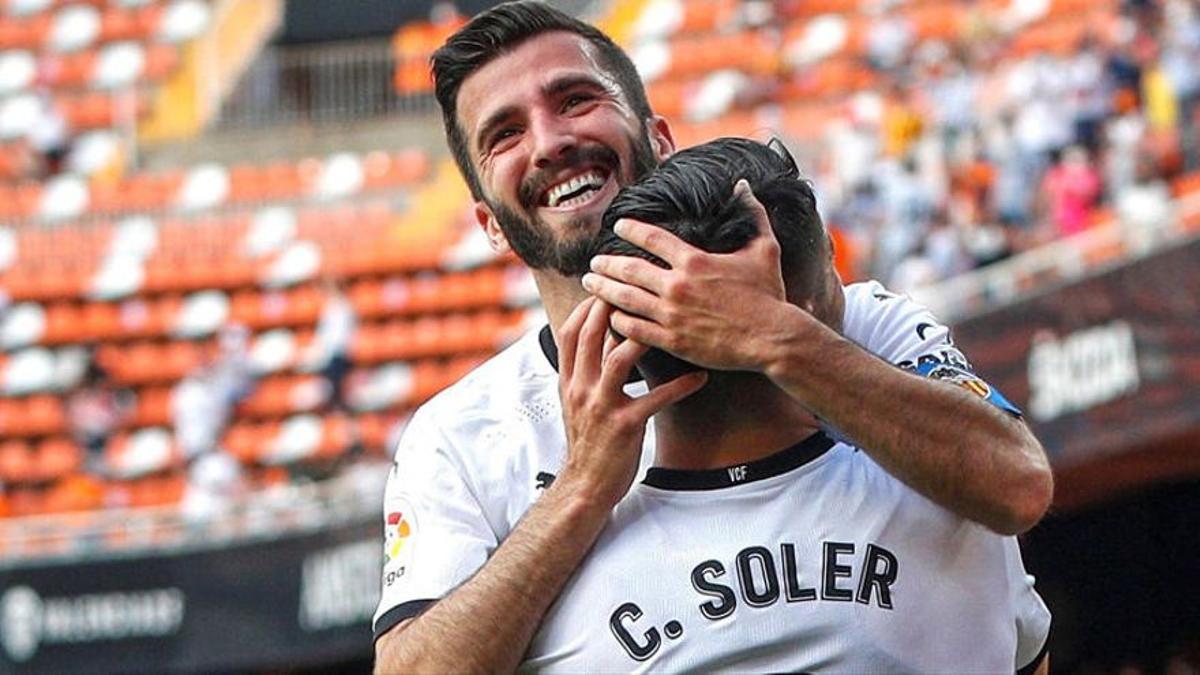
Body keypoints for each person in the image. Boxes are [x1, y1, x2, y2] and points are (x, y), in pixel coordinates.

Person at [374, 3, 1052, 671]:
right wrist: (581, 489)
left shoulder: (854, 321)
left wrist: (781, 341)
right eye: (505, 134)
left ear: (660, 138)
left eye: (576, 99)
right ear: (489, 223)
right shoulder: (462, 434)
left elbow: (1018, 485)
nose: (550, 141)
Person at [512, 135, 1050, 671]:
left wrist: (578, 485)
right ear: (806, 306)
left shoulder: (552, 607)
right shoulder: (947, 511)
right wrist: (782, 337)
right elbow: (1019, 489)